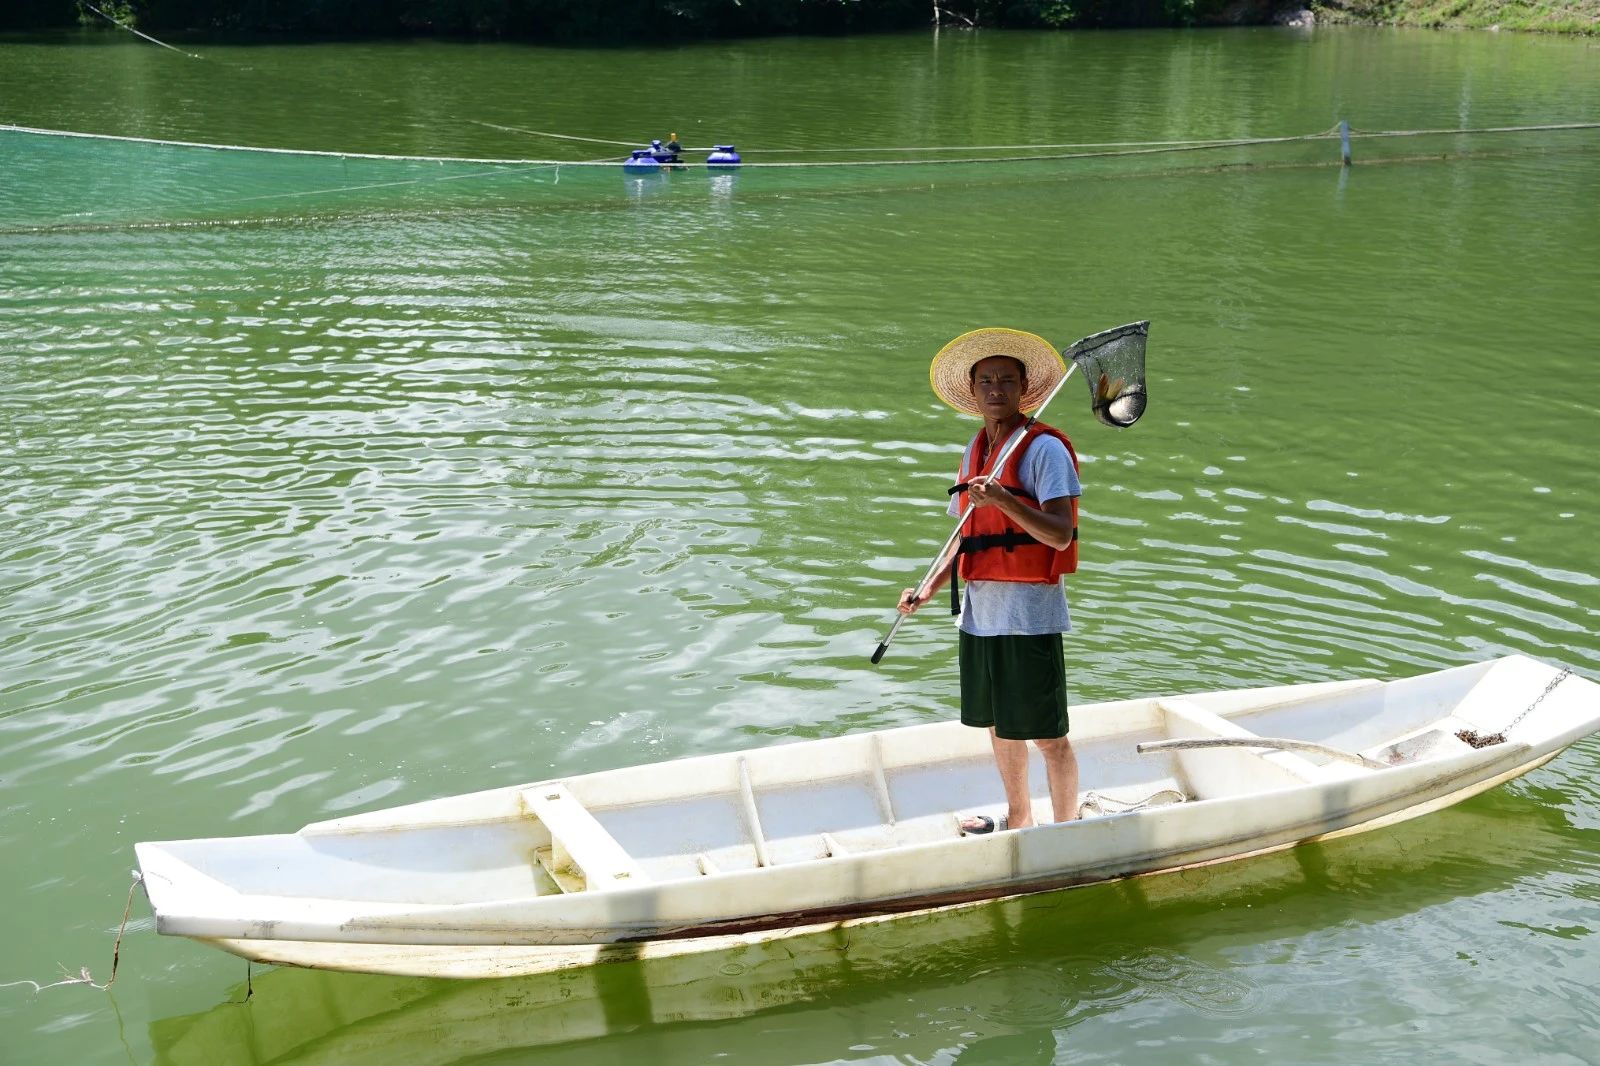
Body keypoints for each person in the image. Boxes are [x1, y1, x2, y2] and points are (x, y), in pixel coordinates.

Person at [897, 328, 1082, 834]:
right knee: (1000, 726)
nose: (995, 389)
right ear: (973, 391)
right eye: (985, 381)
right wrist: (928, 588)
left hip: (1029, 615)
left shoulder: (1045, 451)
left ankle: (1067, 831)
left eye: (1006, 379)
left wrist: (1003, 499)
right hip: (981, 615)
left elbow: (1061, 536)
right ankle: (1020, 817)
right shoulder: (976, 450)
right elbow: (962, 534)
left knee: (1046, 735)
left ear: (1025, 388)